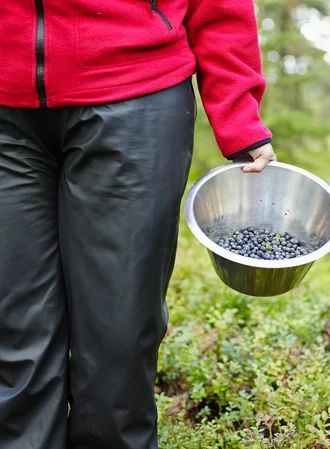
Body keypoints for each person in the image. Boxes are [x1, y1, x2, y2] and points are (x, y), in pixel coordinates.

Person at [0, 1, 276, 448]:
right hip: (5, 112)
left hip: (134, 93)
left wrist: (238, 115)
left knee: (118, 334)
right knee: (12, 332)